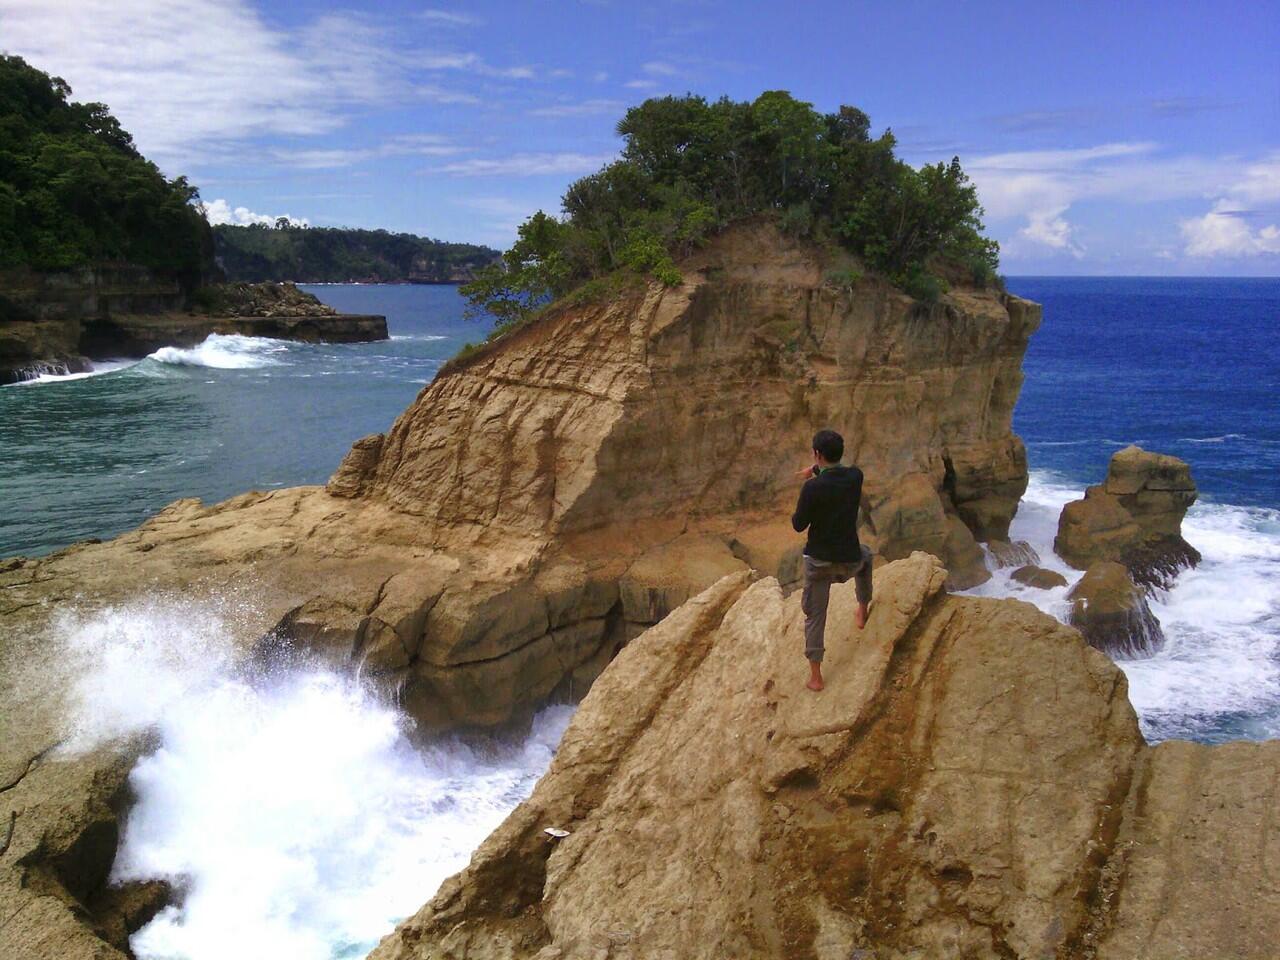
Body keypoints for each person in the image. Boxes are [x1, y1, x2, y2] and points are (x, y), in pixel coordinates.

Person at [791, 428, 873, 691]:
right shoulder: (855, 477)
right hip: (849, 560)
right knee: (867, 556)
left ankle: (816, 677)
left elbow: (798, 525)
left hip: (820, 565)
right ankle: (862, 609)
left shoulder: (812, 489)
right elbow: (839, 476)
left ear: (817, 455)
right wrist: (815, 471)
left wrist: (809, 483)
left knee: (816, 615)